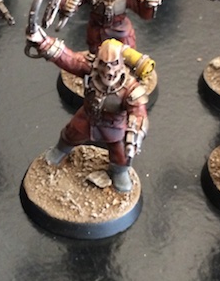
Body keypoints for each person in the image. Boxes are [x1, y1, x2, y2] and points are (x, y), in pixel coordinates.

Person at [25, 32, 151, 192]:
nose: (109, 71)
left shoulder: (130, 87)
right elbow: (68, 59)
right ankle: (60, 151)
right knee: (71, 133)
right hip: (88, 116)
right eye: (104, 64)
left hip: (114, 124)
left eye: (114, 64)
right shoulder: (91, 69)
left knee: (120, 153)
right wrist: (43, 42)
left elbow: (139, 112)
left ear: (121, 63)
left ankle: (119, 172)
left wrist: (134, 134)